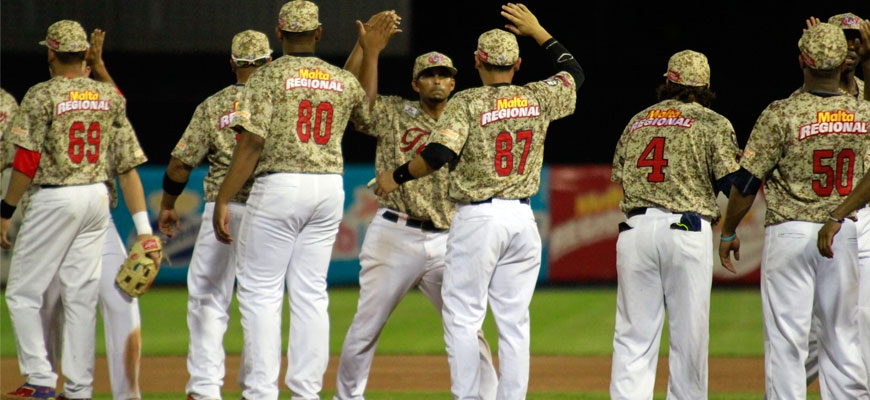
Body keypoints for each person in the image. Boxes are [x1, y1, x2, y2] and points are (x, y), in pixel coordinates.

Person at [373, 3, 582, 398]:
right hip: (523, 220)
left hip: (479, 219)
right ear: (517, 64)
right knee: (515, 322)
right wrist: (538, 30)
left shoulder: (467, 102)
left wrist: (395, 176)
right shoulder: (538, 96)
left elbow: (437, 155)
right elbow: (574, 73)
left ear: (477, 62)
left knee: (464, 316)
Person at [211, 1, 373, 398]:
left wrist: (223, 197)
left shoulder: (265, 77)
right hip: (328, 188)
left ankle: (261, 392)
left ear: (280, 33)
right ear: (318, 33)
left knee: (261, 292)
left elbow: (251, 143)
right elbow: (366, 113)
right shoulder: (338, 78)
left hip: (280, 186)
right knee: (311, 293)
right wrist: (369, 52)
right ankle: (305, 392)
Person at [334, 10, 497, 400]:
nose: (436, 79)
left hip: (450, 238)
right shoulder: (395, 111)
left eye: (443, 74)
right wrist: (370, 52)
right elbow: (361, 112)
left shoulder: (470, 117)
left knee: (468, 328)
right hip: (395, 232)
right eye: (428, 74)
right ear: (415, 83)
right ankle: (346, 397)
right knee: (366, 327)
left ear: (454, 82)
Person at [0, 19, 150, 400]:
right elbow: (125, 144)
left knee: (21, 293)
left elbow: (27, 160)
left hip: (56, 198)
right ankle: (79, 388)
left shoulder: (42, 94)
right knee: (81, 296)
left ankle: (40, 377)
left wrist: (6, 209)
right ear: (84, 54)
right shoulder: (108, 95)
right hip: (96, 199)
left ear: (51, 54)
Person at [719, 22, 870, 399]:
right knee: (842, 338)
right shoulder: (863, 113)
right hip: (841, 233)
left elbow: (747, 182)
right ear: (843, 63)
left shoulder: (781, 113)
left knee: (787, 343)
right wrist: (836, 215)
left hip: (789, 232)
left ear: (802, 60)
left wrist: (728, 230)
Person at [609, 49, 741, 399]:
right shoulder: (713, 122)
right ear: (706, 86)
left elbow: (621, 176)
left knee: (633, 338)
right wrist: (730, 228)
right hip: (686, 229)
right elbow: (734, 185)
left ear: (668, 81)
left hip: (636, 231)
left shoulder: (637, 120)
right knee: (689, 338)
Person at [158, 29, 272, 400]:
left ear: (233, 63)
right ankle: (258, 389)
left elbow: (180, 164)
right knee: (263, 300)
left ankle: (205, 388)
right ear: (270, 61)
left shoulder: (214, 105)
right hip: (271, 209)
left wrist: (168, 203)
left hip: (221, 208)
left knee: (208, 297)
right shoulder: (281, 100)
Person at [803, 12, 870, 387]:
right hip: (820, 215)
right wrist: (814, 54)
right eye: (842, 38)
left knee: (862, 319)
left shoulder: (865, 91)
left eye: (856, 37)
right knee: (819, 326)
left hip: (863, 214)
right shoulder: (810, 94)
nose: (851, 45)